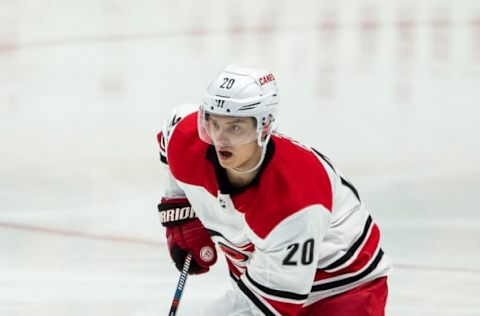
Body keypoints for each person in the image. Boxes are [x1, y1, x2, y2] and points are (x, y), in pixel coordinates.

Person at [156, 65, 392, 315]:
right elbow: (172, 130)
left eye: (235, 128)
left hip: (344, 288)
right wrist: (179, 208)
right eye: (214, 124)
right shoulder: (187, 140)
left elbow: (266, 307)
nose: (221, 139)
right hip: (265, 276)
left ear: (264, 127)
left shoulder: (295, 202)